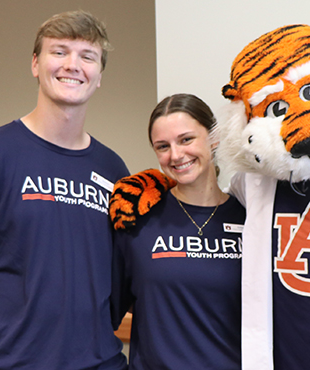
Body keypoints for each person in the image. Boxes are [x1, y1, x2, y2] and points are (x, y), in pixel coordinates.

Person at [0, 10, 129, 370]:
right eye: (59, 52)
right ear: (35, 64)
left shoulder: (113, 170)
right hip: (7, 363)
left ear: (99, 75)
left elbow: (120, 285)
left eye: (88, 56)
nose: (73, 65)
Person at [111, 94, 245, 369]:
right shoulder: (139, 219)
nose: (175, 155)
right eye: (162, 146)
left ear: (214, 137)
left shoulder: (250, 219)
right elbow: (106, 313)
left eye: (186, 139)